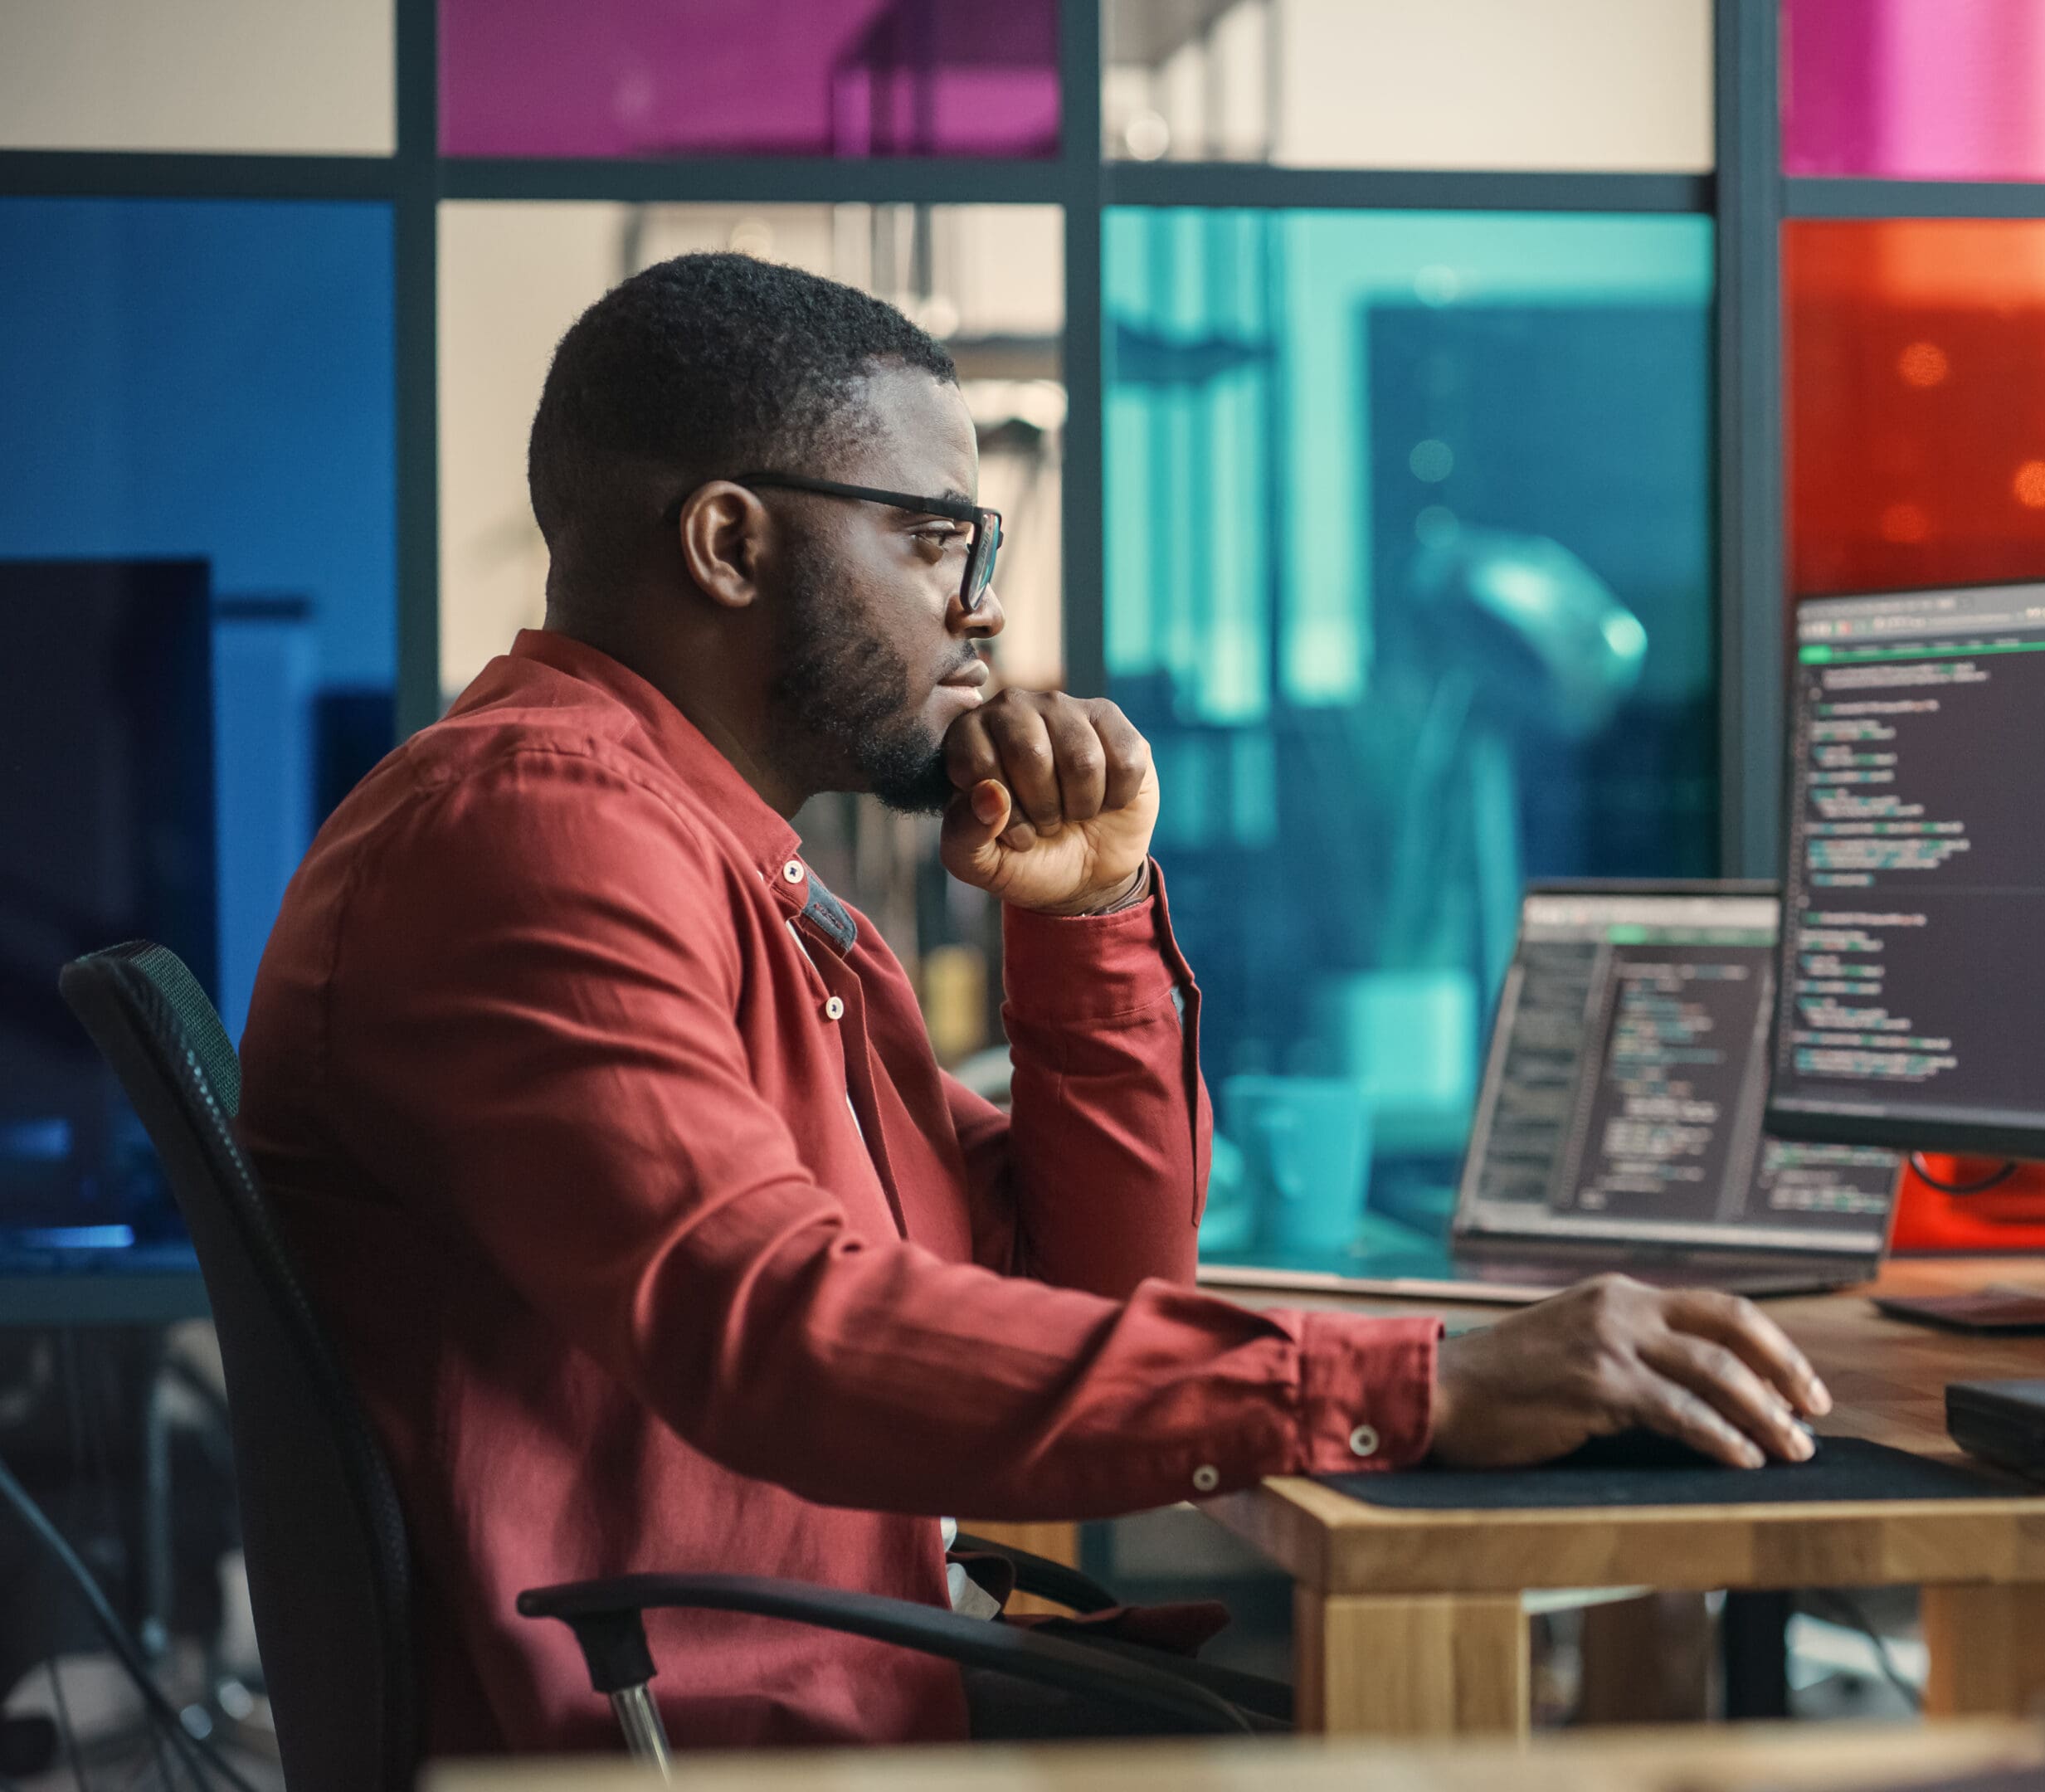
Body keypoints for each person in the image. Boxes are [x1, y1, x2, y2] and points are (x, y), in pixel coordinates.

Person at [236, 252, 1828, 1754]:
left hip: (831, 1689)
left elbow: (1102, 1282)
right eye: (937, 539)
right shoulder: (539, 832)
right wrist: (1416, 1383)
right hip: (715, 1738)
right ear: (729, 544)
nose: (982, 608)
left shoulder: (727, 868)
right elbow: (776, 1333)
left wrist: (1092, 922)